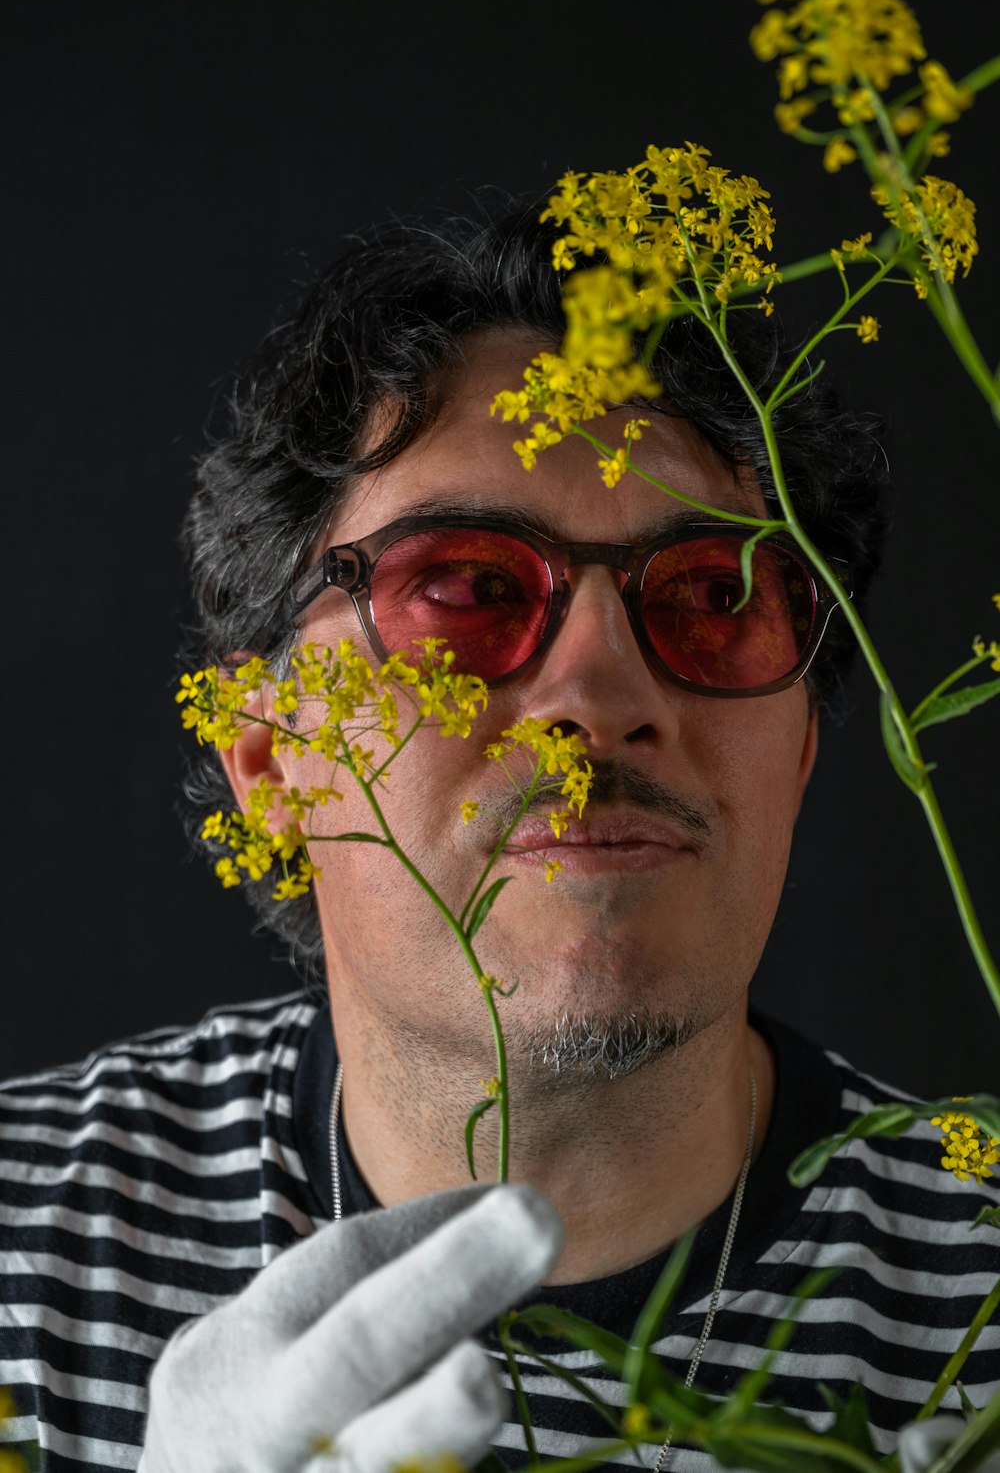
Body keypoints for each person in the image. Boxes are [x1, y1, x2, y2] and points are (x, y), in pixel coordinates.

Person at [1, 197, 998, 1473]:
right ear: (271, 761)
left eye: (708, 597)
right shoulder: (24, 1251)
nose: (600, 695)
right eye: (466, 590)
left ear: (800, 749)